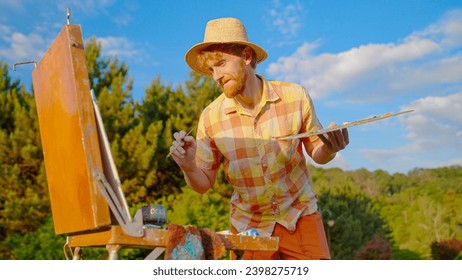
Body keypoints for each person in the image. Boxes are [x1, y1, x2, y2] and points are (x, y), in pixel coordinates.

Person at [169, 17, 349, 260]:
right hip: (248, 228)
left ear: (246, 56)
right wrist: (189, 166)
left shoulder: (295, 96)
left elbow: (317, 151)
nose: (216, 76)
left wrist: (330, 149)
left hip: (300, 215)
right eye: (212, 70)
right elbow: (203, 184)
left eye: (221, 64)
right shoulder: (211, 117)